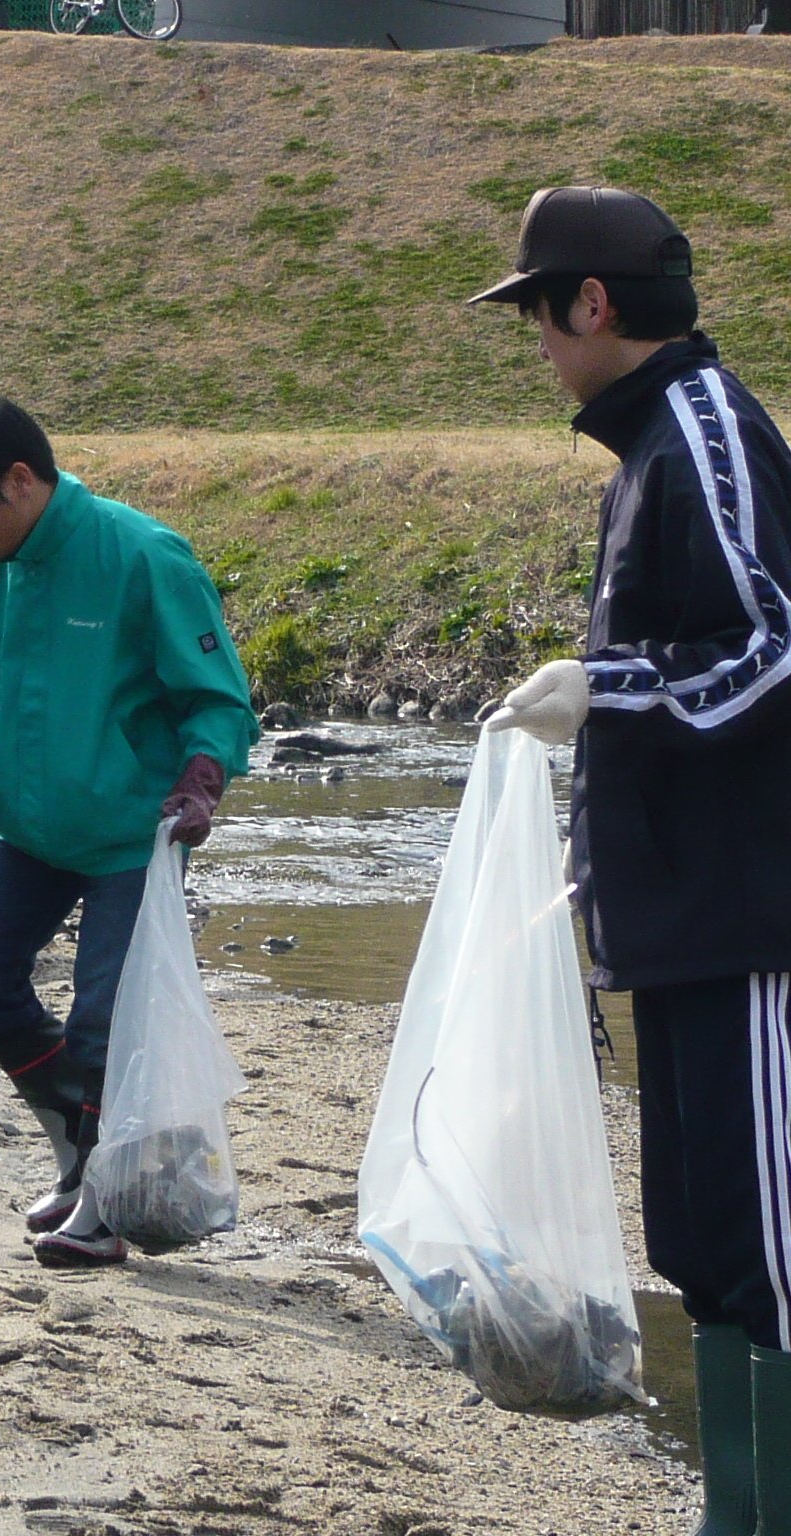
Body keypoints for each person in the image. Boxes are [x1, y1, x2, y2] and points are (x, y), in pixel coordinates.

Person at [473, 185, 791, 1535]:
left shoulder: (707, 433)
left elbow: (773, 646)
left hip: (751, 920)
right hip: (678, 923)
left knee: (770, 1253)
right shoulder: (648, 450)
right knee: (705, 1241)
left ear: (592, 305)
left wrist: (602, 686)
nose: (537, 344)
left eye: (538, 314)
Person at [0, 393, 256, 1269]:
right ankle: (83, 1152)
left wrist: (203, 778)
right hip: (29, 832)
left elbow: (216, 695)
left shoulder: (141, 555)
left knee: (105, 1022)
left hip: (131, 832)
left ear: (19, 481)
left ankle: (108, 1207)